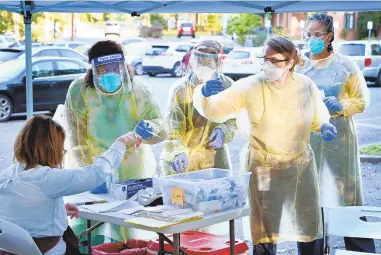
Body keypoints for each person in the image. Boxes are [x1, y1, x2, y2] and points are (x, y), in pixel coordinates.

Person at [192, 36, 338, 255]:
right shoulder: (250, 86)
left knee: (308, 222)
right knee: (264, 226)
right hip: (264, 167)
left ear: (290, 62)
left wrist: (324, 125)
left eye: (275, 61)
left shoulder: (305, 85)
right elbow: (215, 110)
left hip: (300, 166)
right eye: (265, 60)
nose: (268, 65)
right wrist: (202, 95)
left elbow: (316, 113)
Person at [64, 40, 166, 243]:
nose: (110, 72)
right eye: (102, 68)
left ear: (124, 66)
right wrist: (91, 172)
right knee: (90, 228)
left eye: (115, 67)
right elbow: (76, 135)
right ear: (93, 69)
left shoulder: (139, 91)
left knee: (130, 230)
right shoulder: (80, 91)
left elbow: (161, 129)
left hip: (133, 171)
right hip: (97, 167)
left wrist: (150, 128)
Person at [0, 115, 142, 255]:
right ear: (51, 149)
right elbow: (96, 173)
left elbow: (22, 208)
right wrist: (121, 143)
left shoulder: (8, 174)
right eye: (61, 149)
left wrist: (58, 210)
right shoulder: (46, 178)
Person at [297, 13, 375, 253]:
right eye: (309, 34)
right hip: (308, 140)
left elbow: (362, 100)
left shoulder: (346, 66)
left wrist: (341, 106)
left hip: (339, 141)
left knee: (347, 194)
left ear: (330, 36)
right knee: (310, 197)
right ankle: (310, 250)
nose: (312, 39)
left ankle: (359, 249)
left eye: (318, 34)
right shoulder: (300, 65)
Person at [161, 40, 237, 174]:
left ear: (217, 63)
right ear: (193, 62)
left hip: (215, 159)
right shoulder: (180, 89)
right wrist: (177, 151)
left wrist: (223, 131)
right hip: (185, 160)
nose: (204, 67)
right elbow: (173, 127)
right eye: (200, 62)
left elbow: (235, 119)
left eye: (208, 63)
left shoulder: (227, 86)